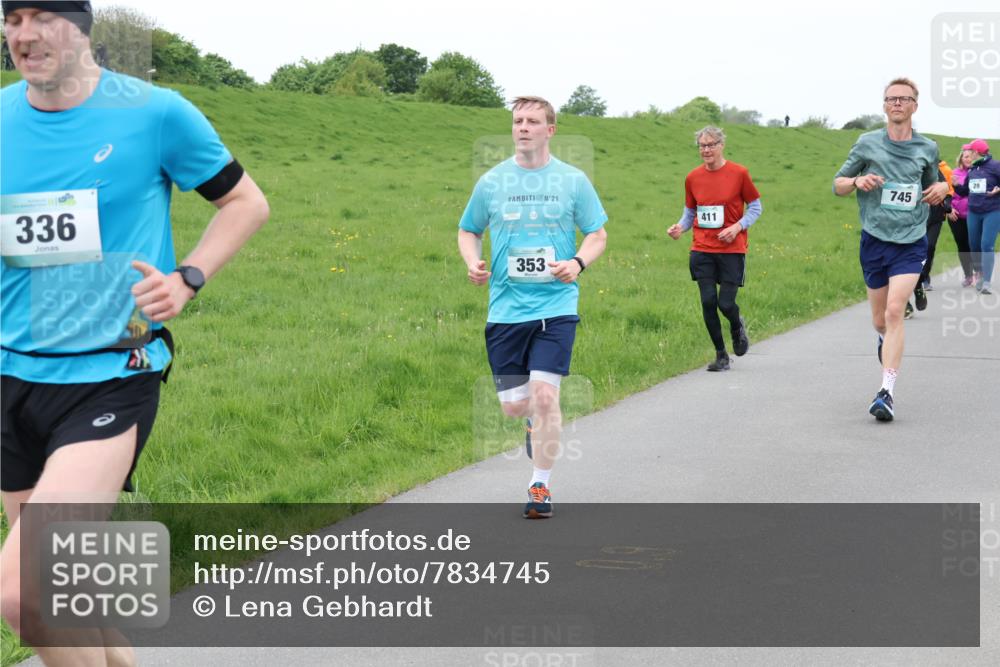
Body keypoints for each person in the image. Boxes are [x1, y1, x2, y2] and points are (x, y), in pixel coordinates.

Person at [0, 2, 269, 663]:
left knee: (26, 594)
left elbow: (245, 202)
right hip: (11, 377)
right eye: (12, 19)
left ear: (82, 25)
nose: (24, 35)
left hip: (110, 375)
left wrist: (187, 277)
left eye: (42, 17)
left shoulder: (155, 113)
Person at [458, 95, 607, 519]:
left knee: (545, 397)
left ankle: (539, 485)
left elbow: (597, 234)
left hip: (556, 305)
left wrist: (577, 263)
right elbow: (468, 230)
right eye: (518, 121)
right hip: (506, 310)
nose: (523, 127)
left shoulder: (573, 180)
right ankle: (530, 422)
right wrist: (473, 262)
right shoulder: (492, 182)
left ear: (550, 130)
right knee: (515, 406)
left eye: (532, 121)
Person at [832, 77, 949, 421]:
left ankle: (886, 392)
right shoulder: (867, 143)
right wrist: (857, 181)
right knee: (880, 319)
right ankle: (885, 340)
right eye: (891, 98)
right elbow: (838, 184)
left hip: (911, 240)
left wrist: (942, 188)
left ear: (915, 106)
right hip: (875, 239)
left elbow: (933, 184)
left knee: (896, 311)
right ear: (884, 106)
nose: (897, 103)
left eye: (904, 98)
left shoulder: (927, 147)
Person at [668, 126, 762, 371]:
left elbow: (755, 207)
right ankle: (721, 355)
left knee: (726, 304)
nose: (706, 150)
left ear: (722, 145)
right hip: (702, 249)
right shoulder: (692, 177)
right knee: (708, 301)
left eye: (711, 145)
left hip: (732, 249)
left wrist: (738, 227)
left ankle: (737, 326)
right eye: (702, 145)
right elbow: (691, 212)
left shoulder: (739, 173)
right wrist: (680, 227)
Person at [952, 139, 1000, 294]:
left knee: (986, 245)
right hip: (973, 212)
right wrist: (955, 185)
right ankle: (980, 273)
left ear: (977, 152)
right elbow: (965, 191)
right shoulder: (972, 169)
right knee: (973, 245)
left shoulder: (995, 166)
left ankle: (986, 282)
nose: (967, 155)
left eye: (970, 152)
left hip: (992, 211)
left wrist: (998, 190)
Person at [949, 148, 976, 287]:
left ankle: (979, 273)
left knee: (974, 244)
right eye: (965, 156)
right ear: (961, 158)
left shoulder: (978, 172)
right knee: (962, 245)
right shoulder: (953, 173)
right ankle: (968, 275)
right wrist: (949, 209)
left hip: (974, 215)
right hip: (956, 216)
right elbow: (947, 193)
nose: (968, 159)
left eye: (970, 156)